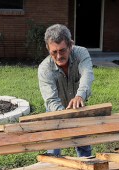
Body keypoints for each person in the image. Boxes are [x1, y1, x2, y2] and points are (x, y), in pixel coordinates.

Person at [38, 24, 94, 157]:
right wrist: (64, 118)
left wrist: (80, 96)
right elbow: (51, 100)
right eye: (54, 52)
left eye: (62, 50)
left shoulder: (81, 53)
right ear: (48, 49)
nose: (58, 56)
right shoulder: (44, 69)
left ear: (70, 45)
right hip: (54, 111)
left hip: (77, 107)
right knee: (53, 150)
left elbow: (87, 74)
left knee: (84, 146)